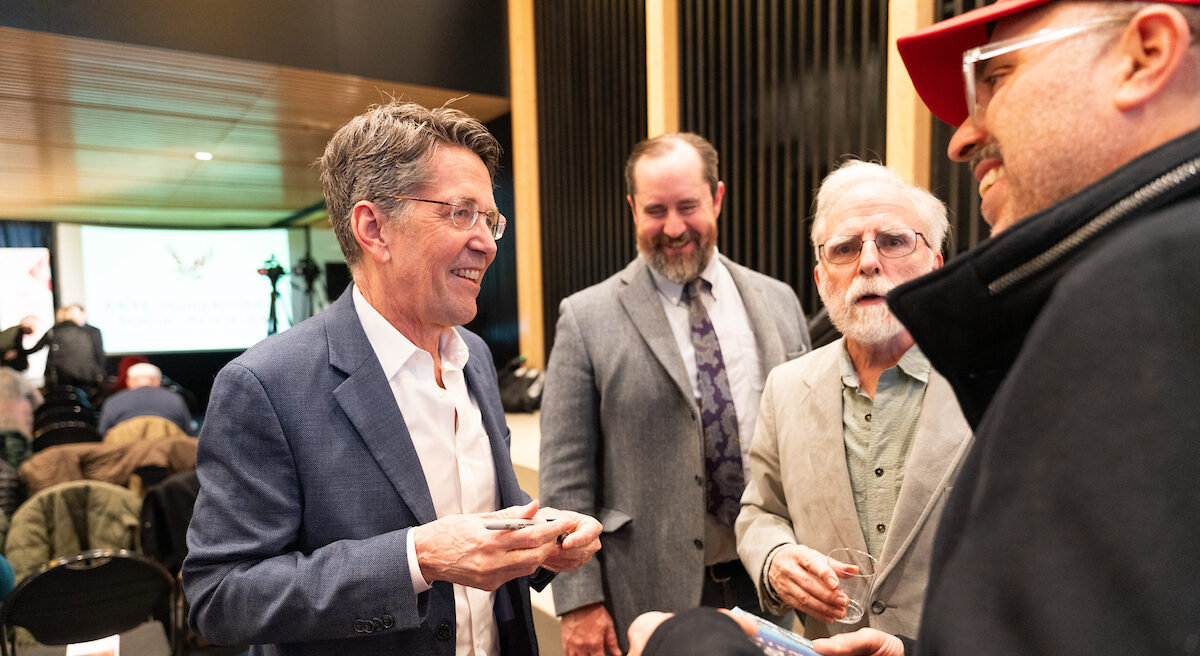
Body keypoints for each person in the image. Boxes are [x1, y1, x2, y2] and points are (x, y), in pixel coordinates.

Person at [813, 1, 1200, 654]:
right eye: (843, 249)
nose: (961, 138)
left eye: (994, 78)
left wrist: (693, 640)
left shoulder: (1155, 286)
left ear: (1146, 55)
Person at [182, 101, 603, 656]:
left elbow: (481, 519)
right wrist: (417, 559)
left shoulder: (473, 357)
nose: (489, 242)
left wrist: (541, 537)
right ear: (373, 228)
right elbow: (221, 598)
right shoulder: (266, 385)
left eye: (490, 218)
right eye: (461, 213)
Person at [539, 132, 812, 655]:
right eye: (655, 210)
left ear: (717, 198)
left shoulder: (779, 302)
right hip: (644, 592)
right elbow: (564, 475)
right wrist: (577, 601)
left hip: (767, 585)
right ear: (632, 209)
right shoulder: (586, 318)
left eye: (688, 206)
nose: (673, 227)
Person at [735, 161, 972, 640]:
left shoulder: (990, 377)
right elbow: (760, 511)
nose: (868, 262)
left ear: (935, 265)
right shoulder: (786, 387)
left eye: (893, 241)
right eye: (845, 248)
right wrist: (775, 560)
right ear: (822, 280)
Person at [97, 362, 194, 435]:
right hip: (167, 457)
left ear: (129, 382)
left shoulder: (113, 401)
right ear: (157, 381)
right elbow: (188, 432)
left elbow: (102, 433)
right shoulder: (175, 399)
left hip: (124, 458)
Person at [31, 306, 105, 400]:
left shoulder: (55, 331)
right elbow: (97, 355)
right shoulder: (85, 332)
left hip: (63, 377)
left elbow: (36, 348)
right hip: (83, 376)